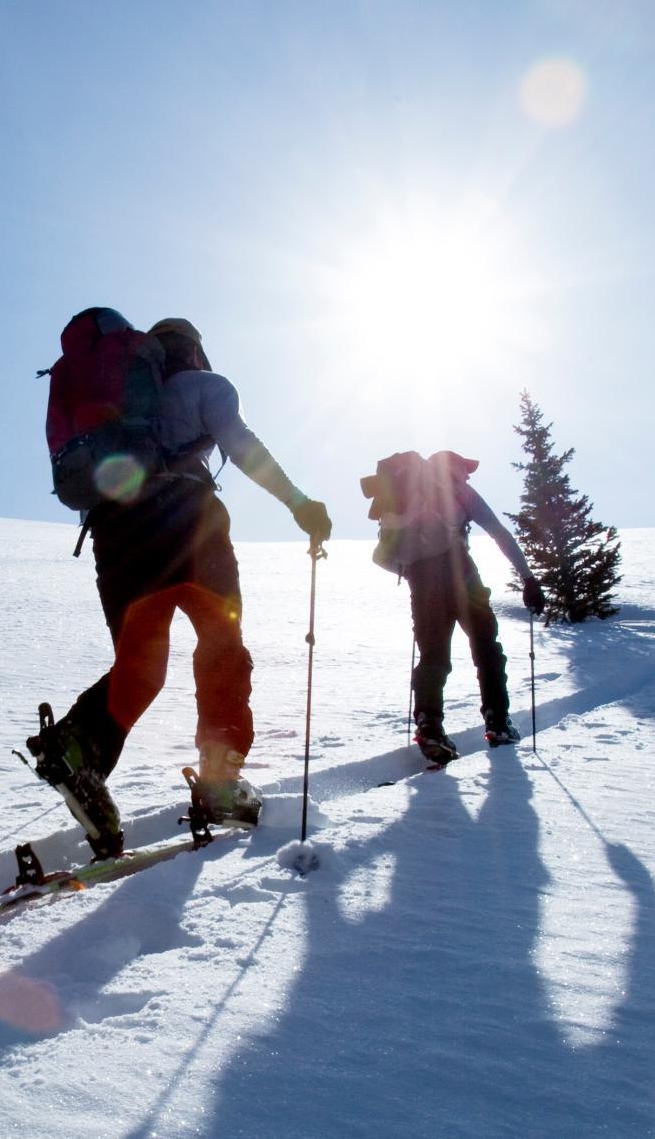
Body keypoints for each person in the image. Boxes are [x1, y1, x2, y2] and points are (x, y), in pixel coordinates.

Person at [28, 316, 330, 856]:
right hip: (190, 528)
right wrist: (299, 503)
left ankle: (77, 748)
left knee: (140, 666)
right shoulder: (202, 387)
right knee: (222, 645)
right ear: (194, 351)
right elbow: (240, 443)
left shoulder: (121, 412)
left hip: (117, 533)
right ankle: (219, 781)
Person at [360, 449, 546, 765]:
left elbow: (380, 557)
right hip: (463, 575)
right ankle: (498, 722)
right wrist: (528, 578)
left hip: (422, 582)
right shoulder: (458, 489)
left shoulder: (400, 497)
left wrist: (409, 572)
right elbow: (498, 532)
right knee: (487, 648)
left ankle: (429, 725)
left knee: (433, 656)